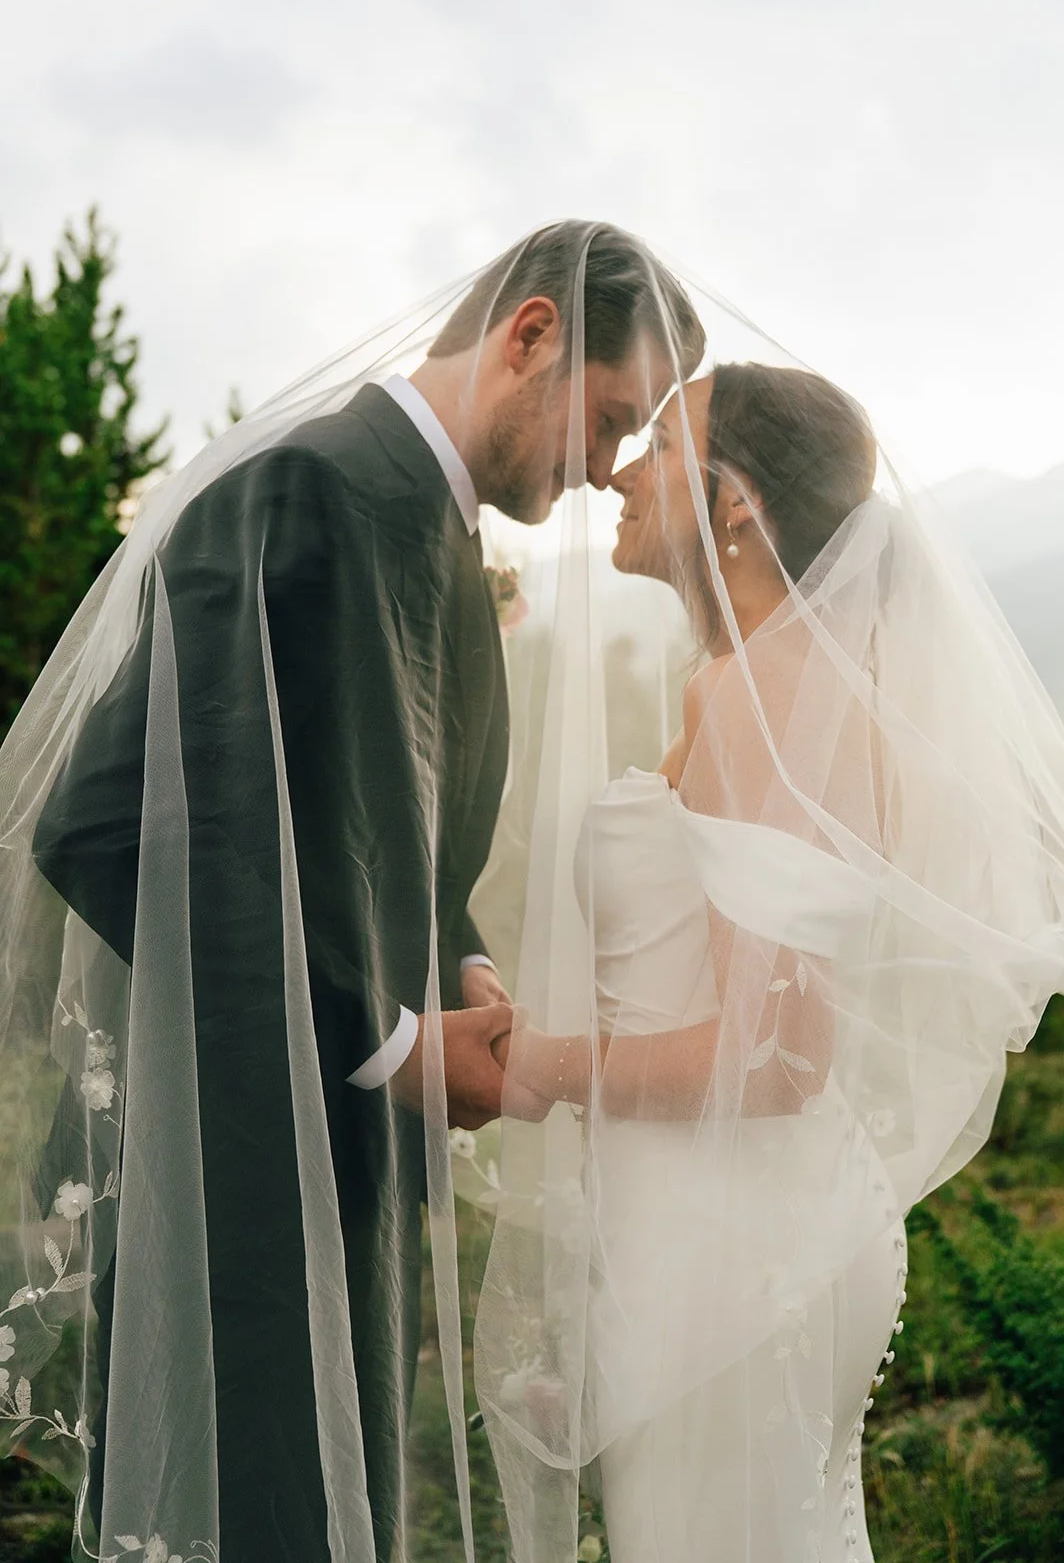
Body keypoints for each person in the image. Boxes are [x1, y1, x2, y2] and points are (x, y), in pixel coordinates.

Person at [0, 222, 703, 1563]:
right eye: (607, 422)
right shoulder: (303, 496)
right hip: (247, 1168)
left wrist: (462, 977)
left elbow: (376, 853)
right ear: (532, 333)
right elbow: (104, 828)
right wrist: (386, 1045)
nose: (606, 469)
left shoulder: (432, 533)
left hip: (352, 1163)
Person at [476, 361, 1064, 1562]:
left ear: (735, 501)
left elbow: (779, 1050)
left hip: (738, 1246)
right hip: (715, 1218)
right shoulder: (759, 687)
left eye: (659, 446)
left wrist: (537, 1061)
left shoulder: (771, 691)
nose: (624, 471)